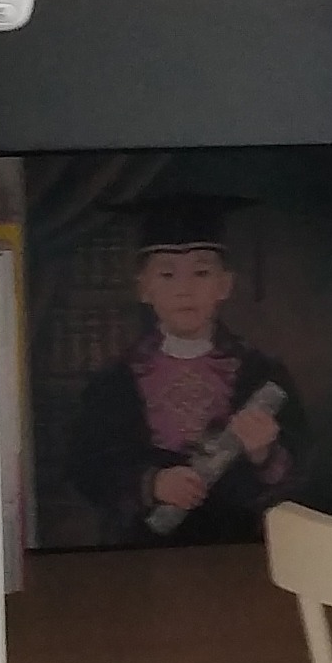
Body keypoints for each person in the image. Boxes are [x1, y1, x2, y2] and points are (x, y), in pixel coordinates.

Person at [59, 196, 300, 543]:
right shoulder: (114, 381)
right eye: (167, 274)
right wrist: (152, 483)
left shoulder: (262, 374)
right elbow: (85, 466)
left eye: (201, 273)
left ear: (225, 285)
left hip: (236, 544)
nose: (185, 290)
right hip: (139, 548)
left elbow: (303, 472)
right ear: (143, 288)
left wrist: (265, 455)